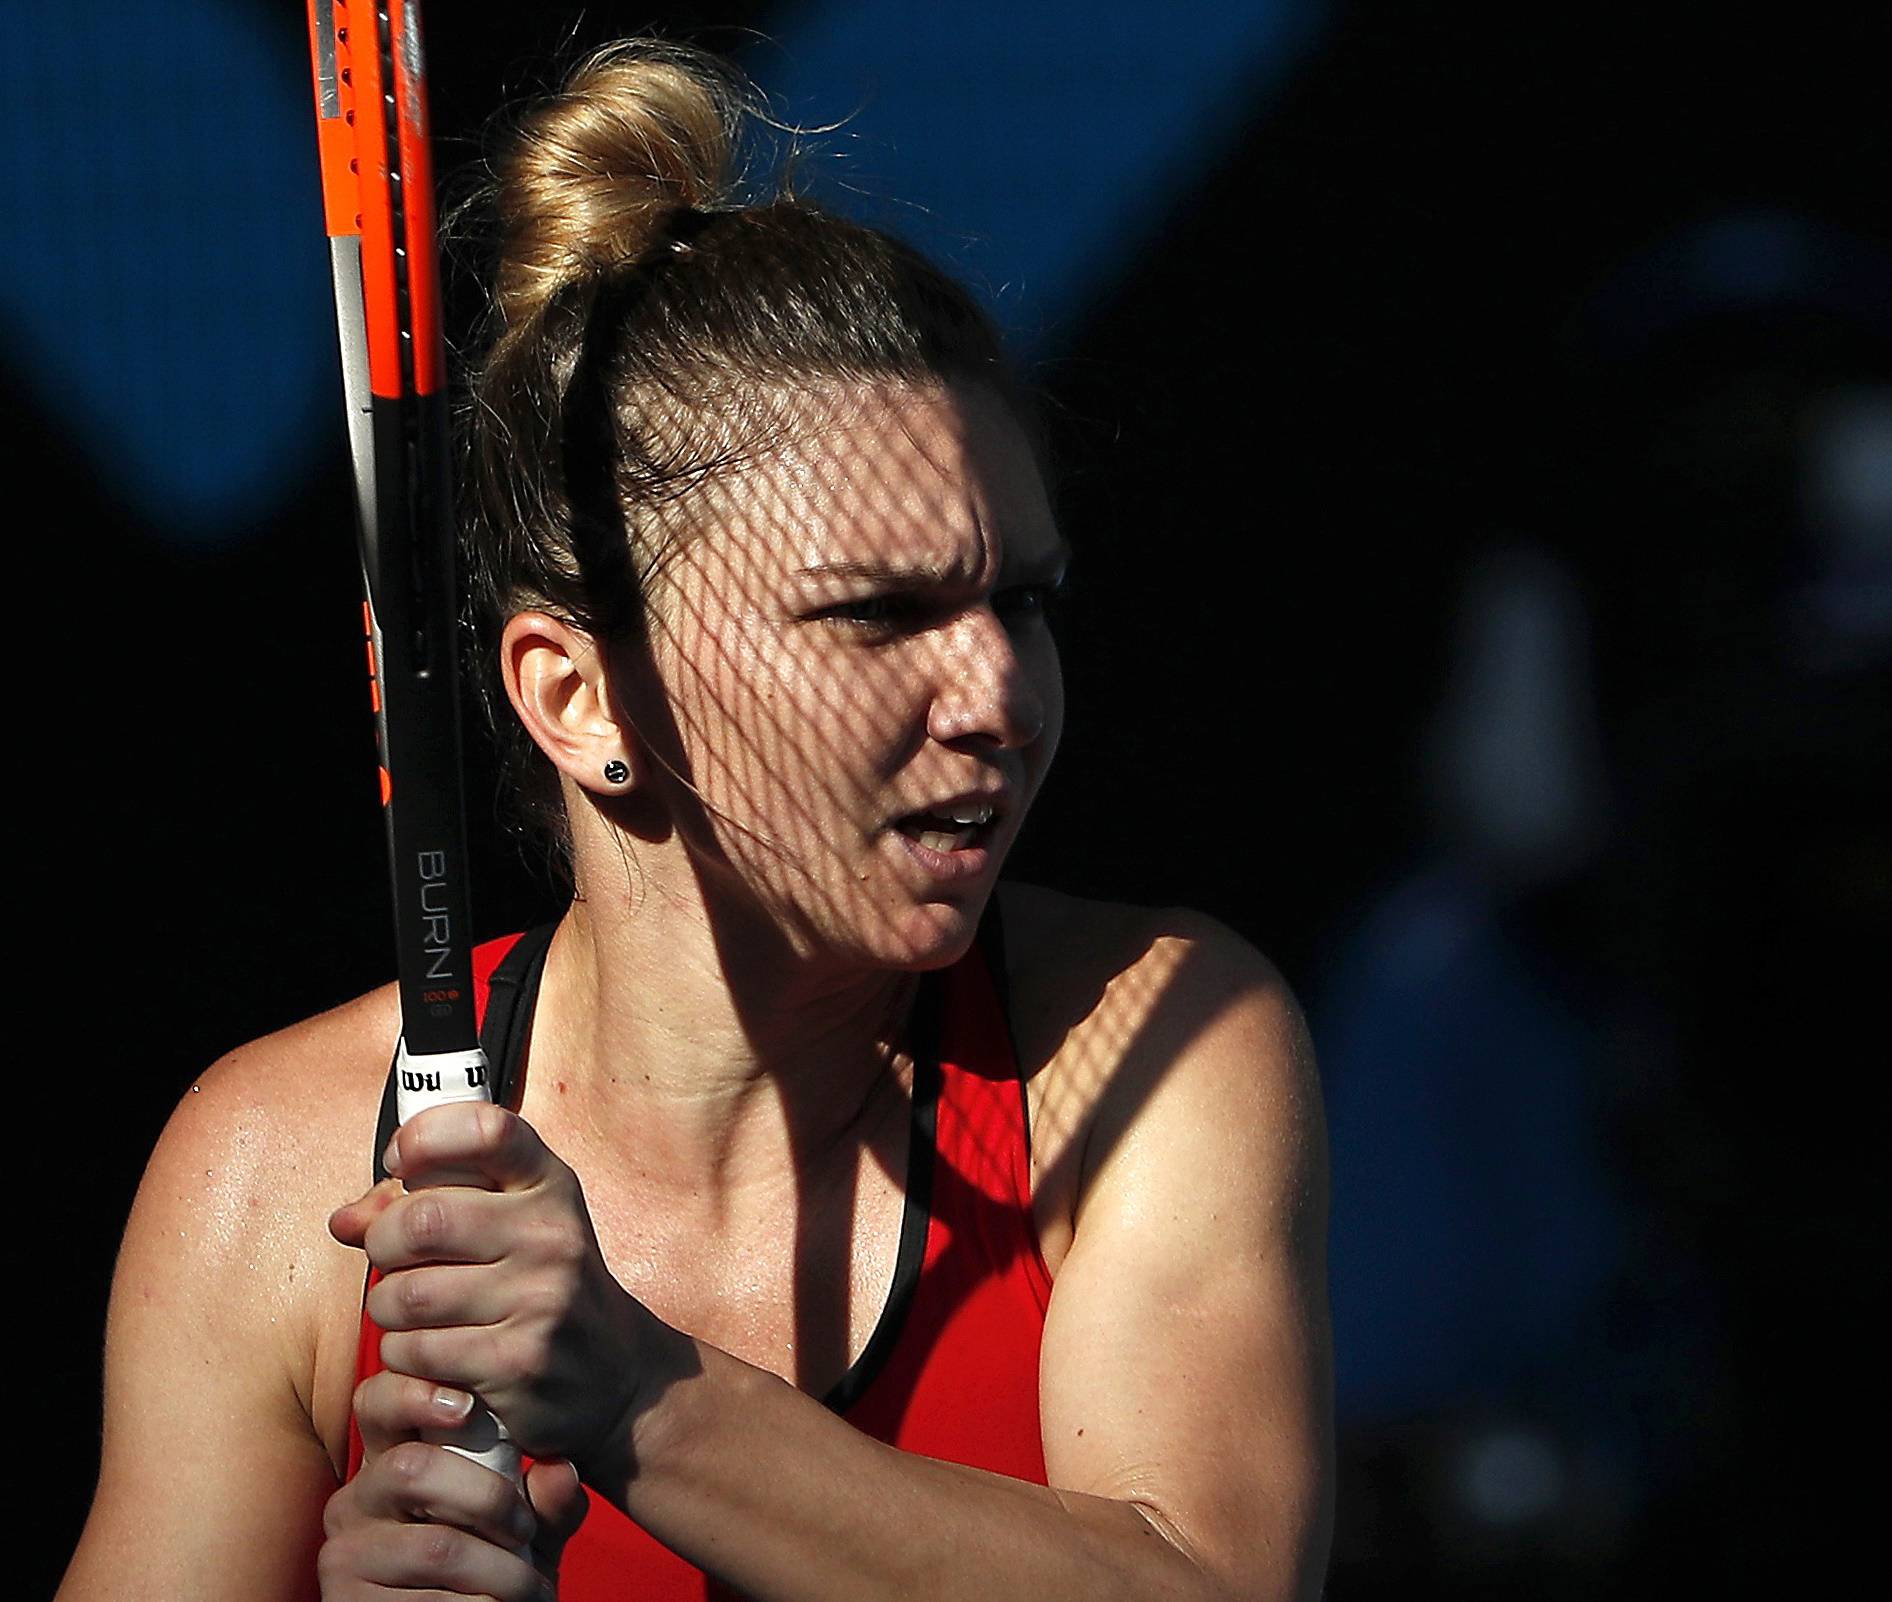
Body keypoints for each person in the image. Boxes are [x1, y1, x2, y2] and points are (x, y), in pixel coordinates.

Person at [59, 39, 1331, 1602]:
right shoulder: (270, 1167)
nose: (1003, 689)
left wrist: (641, 1394)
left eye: (1025, 599)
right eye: (880, 613)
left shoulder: (1152, 1043)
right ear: (582, 697)